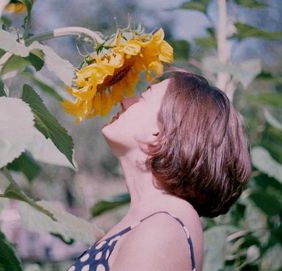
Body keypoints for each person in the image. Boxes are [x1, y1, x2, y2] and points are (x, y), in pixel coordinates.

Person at [68, 71, 252, 271]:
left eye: (143, 97)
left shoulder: (161, 231)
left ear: (160, 133)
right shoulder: (156, 222)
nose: (125, 101)